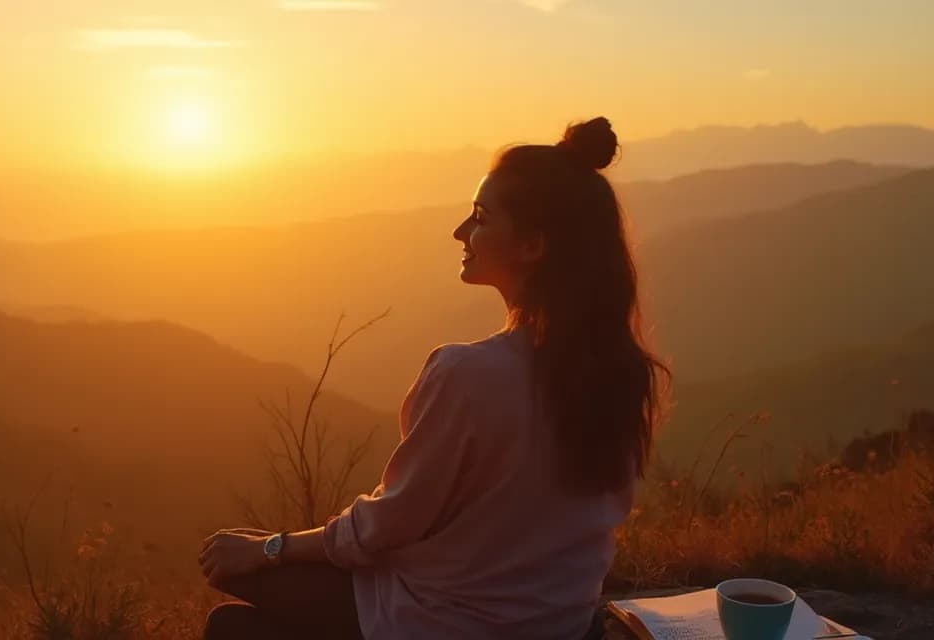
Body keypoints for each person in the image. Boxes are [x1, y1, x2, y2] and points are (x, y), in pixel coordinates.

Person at [197, 117, 669, 640]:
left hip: (444, 621)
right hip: (557, 622)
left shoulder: (467, 375)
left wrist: (272, 547)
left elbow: (389, 525)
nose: (461, 232)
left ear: (533, 244)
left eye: (480, 217)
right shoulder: (622, 373)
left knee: (230, 589)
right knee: (238, 617)